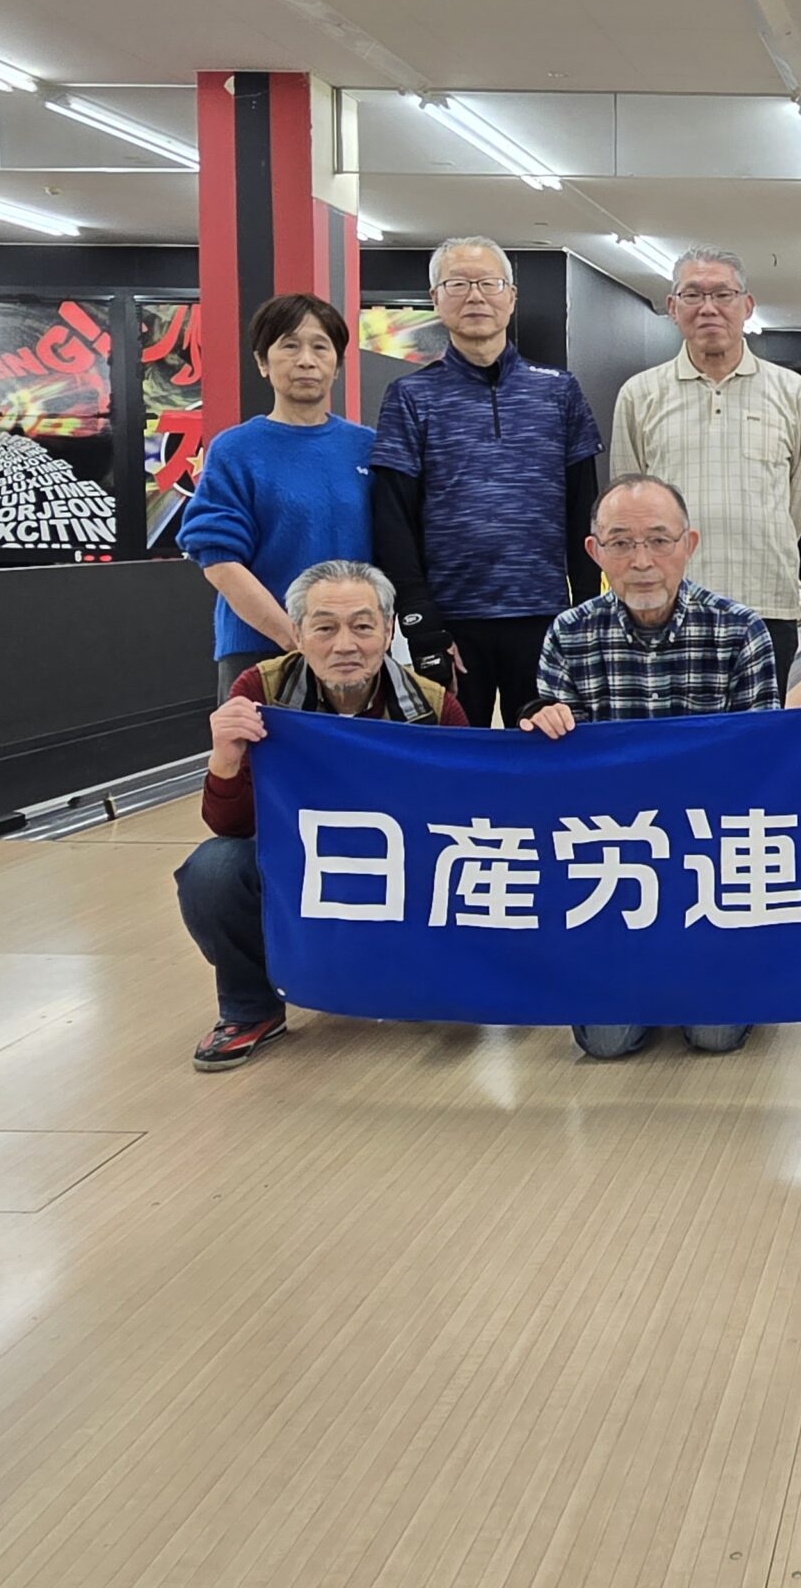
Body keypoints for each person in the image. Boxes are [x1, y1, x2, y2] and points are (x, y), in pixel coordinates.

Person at [521, 474, 779, 1059]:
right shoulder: (568, 635)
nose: (641, 562)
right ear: (595, 552)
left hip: (711, 861)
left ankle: (727, 966)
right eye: (621, 543)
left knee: (713, 1037)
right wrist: (544, 725)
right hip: (615, 861)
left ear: (689, 544)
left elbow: (762, 769)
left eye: (660, 541)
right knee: (607, 1042)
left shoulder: (740, 631)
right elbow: (563, 782)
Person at [174, 560, 468, 1072]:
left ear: (389, 630)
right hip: (302, 865)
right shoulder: (260, 693)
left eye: (363, 626)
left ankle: (415, 975)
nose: (345, 645)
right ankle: (250, 1009)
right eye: (325, 628)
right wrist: (224, 760)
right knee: (215, 867)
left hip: (401, 874)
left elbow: (464, 824)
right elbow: (231, 826)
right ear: (298, 634)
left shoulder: (432, 706)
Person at [369, 235, 606, 730]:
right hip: (452, 621)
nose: (475, 296)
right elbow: (393, 516)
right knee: (454, 758)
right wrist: (420, 618)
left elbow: (583, 509)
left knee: (548, 751)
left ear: (511, 297)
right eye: (457, 284)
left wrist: (584, 611)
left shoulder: (559, 391)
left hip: (543, 615)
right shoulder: (410, 396)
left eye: (489, 284)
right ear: (435, 299)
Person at [613, 247, 801, 687]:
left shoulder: (791, 392)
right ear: (673, 308)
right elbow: (626, 509)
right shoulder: (639, 395)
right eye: (693, 294)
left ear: (747, 305)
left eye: (723, 294)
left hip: (766, 603)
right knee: (672, 728)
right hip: (669, 605)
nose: (708, 307)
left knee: (761, 730)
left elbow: (798, 501)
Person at [178, 293, 375, 697]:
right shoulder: (235, 449)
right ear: (262, 362)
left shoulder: (368, 447)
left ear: (337, 364)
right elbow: (219, 559)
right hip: (261, 649)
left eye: (320, 347)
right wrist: (298, 638)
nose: (306, 360)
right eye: (289, 346)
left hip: (355, 654)